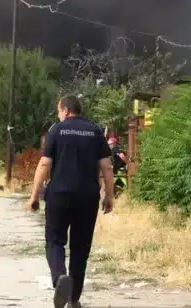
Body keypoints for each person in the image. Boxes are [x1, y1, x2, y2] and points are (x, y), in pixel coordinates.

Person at [28, 95, 114, 308]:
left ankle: (60, 279)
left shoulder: (56, 130)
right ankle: (74, 298)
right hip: (87, 196)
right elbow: (107, 167)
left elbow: (44, 165)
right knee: (80, 247)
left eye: (59, 110)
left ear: (65, 110)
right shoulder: (95, 131)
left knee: (55, 240)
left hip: (59, 194)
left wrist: (34, 195)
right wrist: (110, 196)